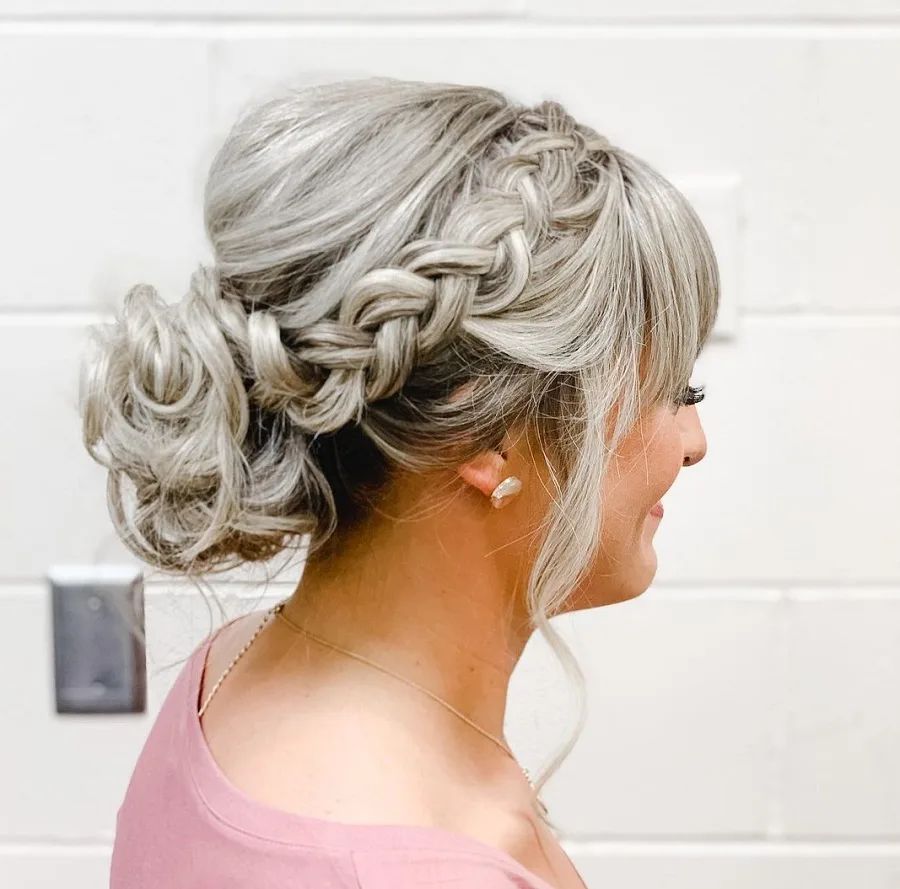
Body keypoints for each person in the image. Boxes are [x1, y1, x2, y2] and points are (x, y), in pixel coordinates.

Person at [80, 76, 717, 889]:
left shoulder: (232, 670)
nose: (693, 442)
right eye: (674, 391)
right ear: (493, 436)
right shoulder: (416, 861)